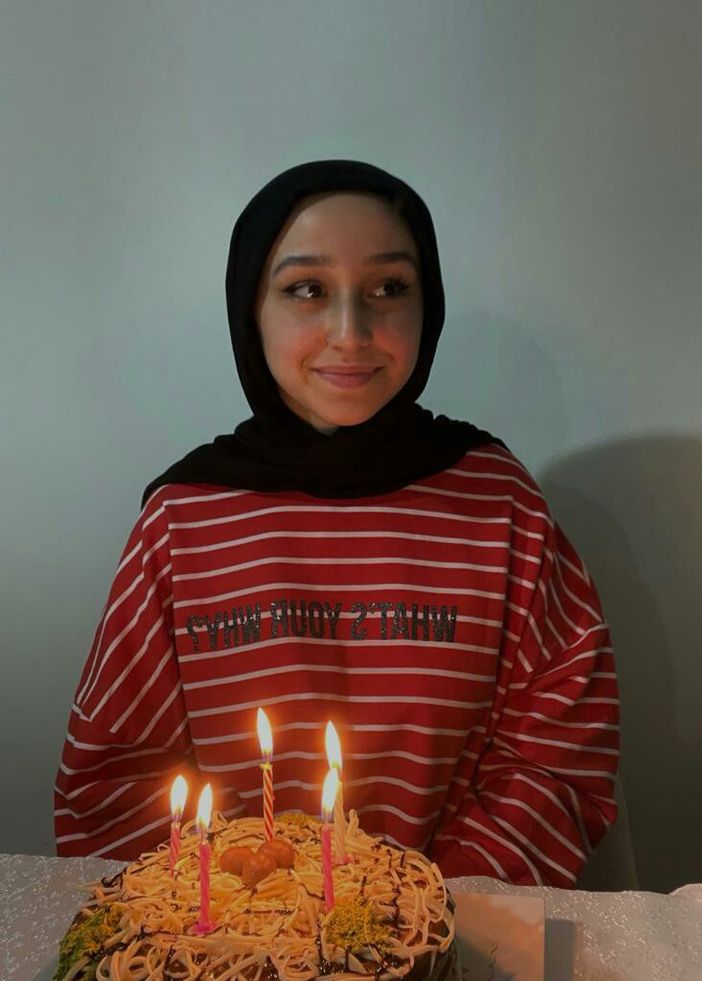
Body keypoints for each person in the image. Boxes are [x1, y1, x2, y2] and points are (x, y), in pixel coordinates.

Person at [55, 159, 619, 887]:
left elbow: (558, 755)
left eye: (388, 288)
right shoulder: (183, 520)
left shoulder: (501, 506)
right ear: (250, 309)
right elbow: (112, 779)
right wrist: (256, 923)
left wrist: (421, 918)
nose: (350, 332)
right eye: (307, 290)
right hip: (231, 947)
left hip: (459, 936)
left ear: (429, 305)